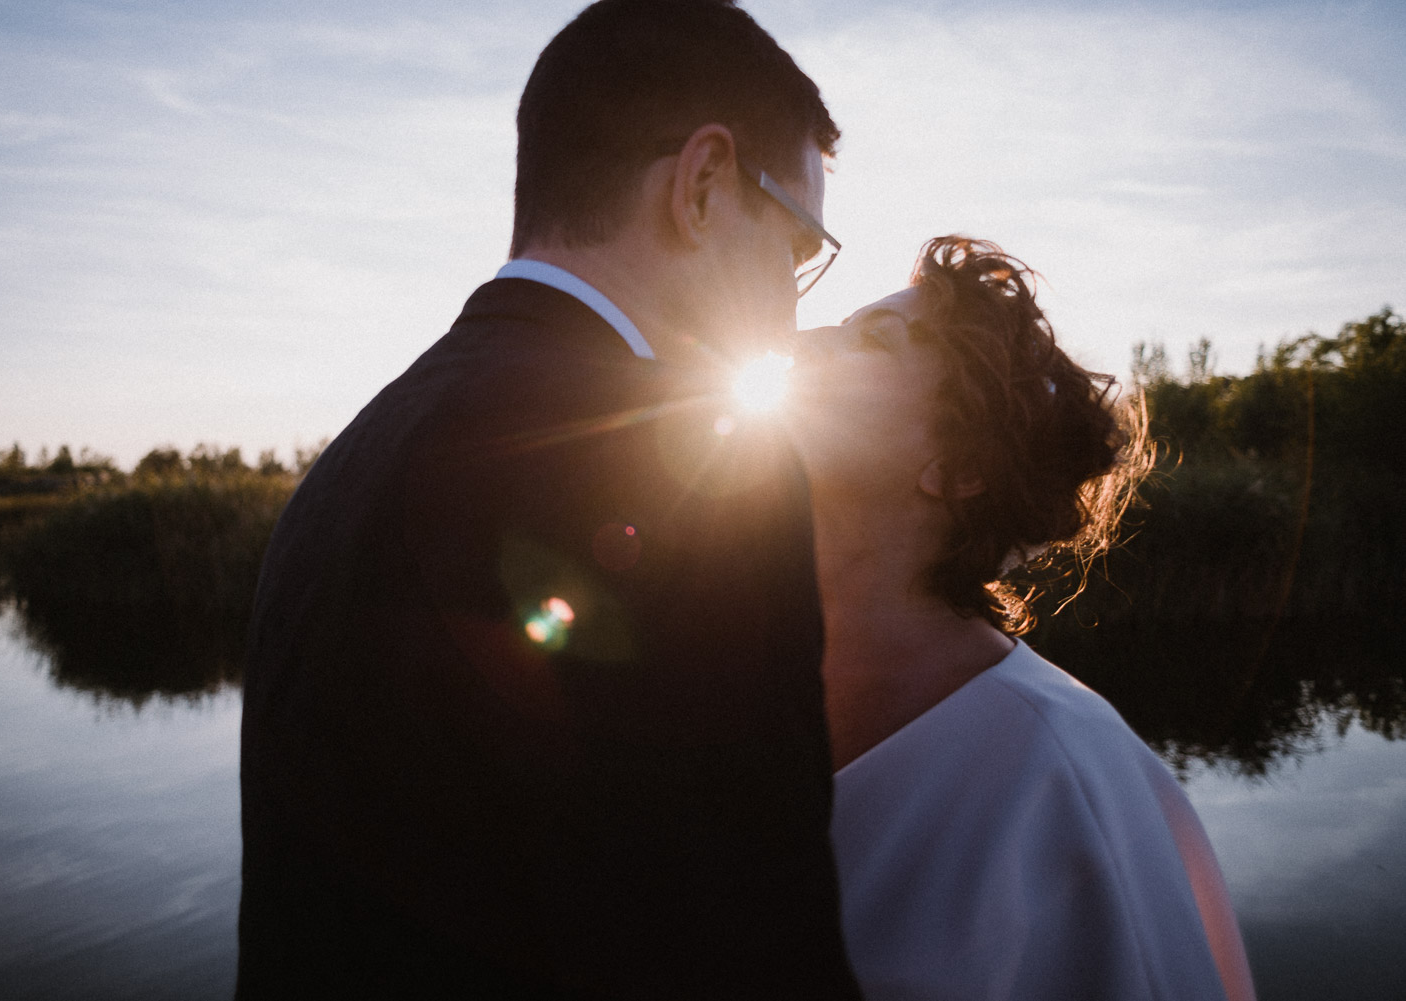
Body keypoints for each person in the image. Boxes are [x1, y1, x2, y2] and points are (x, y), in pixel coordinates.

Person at [237, 1, 860, 998]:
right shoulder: (706, 473)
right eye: (794, 248)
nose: (795, 304)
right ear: (703, 183)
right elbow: (754, 942)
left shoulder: (346, 461)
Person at [789, 236, 1256, 1001]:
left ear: (959, 467)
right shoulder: (707, 675)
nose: (802, 341)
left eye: (870, 339)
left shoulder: (1064, 777)